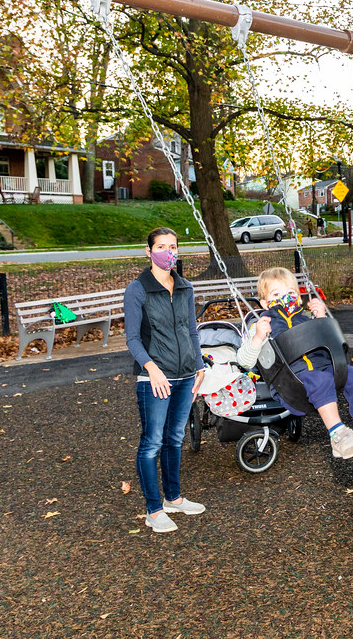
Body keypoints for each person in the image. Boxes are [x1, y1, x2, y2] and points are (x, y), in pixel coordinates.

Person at [236, 267, 353, 459]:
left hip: (323, 373)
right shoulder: (262, 325)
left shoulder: (306, 319)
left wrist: (321, 320)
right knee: (318, 378)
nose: (285, 298)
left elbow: (334, 345)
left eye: (290, 293)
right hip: (291, 385)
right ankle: (338, 435)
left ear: (298, 295)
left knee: (350, 374)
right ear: (264, 302)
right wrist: (258, 338)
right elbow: (244, 361)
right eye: (276, 294)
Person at [124, 227, 208, 534]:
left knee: (175, 438)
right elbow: (132, 339)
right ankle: (154, 510)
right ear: (148, 252)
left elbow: (192, 331)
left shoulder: (185, 287)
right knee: (152, 443)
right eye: (161, 246)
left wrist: (199, 366)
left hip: (186, 374)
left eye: (173, 246)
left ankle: (173, 498)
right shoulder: (138, 289)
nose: (168, 251)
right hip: (154, 379)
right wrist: (151, 367)